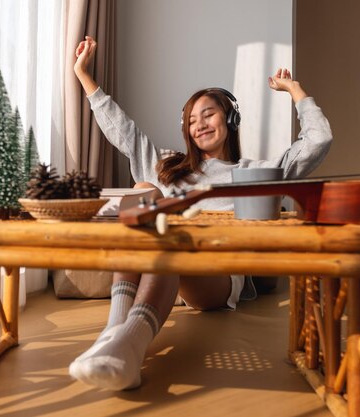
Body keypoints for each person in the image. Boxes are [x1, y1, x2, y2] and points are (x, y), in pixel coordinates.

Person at [68, 36, 333, 391]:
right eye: (192, 120)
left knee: (169, 237)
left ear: (230, 118)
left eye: (208, 114)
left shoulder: (256, 172)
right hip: (162, 261)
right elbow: (122, 130)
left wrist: (295, 90)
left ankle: (128, 346)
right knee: (143, 190)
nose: (200, 124)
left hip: (214, 278)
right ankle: (114, 332)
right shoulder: (167, 165)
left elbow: (319, 140)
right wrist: (83, 74)